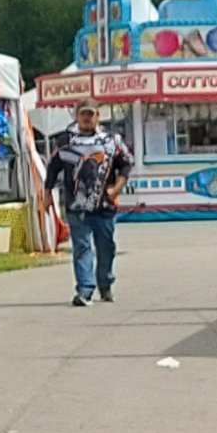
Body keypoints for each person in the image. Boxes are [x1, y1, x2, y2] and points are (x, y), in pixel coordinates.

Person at [54, 102, 131, 305]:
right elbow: (53, 168)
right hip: (76, 205)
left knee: (106, 247)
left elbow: (125, 165)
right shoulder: (65, 141)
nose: (87, 118)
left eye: (91, 114)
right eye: (83, 114)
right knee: (82, 247)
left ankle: (105, 283)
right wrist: (46, 195)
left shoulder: (111, 140)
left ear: (98, 116)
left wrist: (116, 188)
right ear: (76, 116)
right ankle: (85, 290)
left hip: (104, 205)